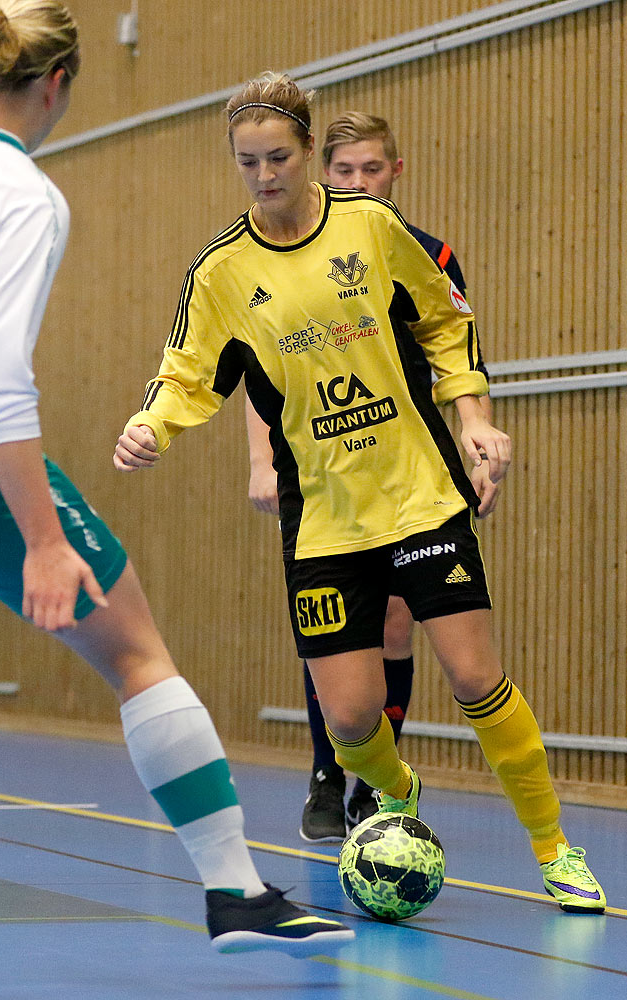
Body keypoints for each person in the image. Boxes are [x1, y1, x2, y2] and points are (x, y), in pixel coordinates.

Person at [0, 9, 351, 997]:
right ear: (58, 87)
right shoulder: (22, 196)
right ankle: (232, 889)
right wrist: (44, 542)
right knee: (136, 654)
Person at [115, 72, 606, 915]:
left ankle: (555, 847)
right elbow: (188, 376)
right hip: (325, 523)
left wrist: (474, 420)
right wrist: (153, 425)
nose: (265, 174)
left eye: (278, 157)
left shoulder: (372, 230)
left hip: (418, 497)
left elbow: (445, 323)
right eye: (248, 162)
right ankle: (396, 786)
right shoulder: (223, 274)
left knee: (474, 677)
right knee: (349, 722)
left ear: (309, 153)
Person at [243, 111, 500, 842]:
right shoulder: (285, 251)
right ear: (325, 173)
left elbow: (454, 356)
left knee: (398, 621)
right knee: (343, 631)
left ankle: (376, 784)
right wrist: (261, 460)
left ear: (396, 173)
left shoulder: (425, 254)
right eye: (345, 171)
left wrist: (473, 441)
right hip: (326, 477)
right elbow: (263, 371)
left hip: (409, 472)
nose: (359, 183)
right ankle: (329, 768)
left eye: (373, 170)